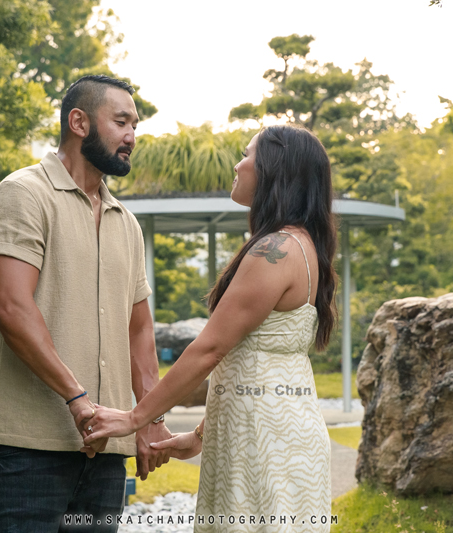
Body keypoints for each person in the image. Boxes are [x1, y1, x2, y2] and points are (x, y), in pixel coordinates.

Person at [82, 124, 338, 532]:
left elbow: (210, 349)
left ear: (275, 169)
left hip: (265, 442)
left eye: (247, 154)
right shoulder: (300, 244)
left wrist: (136, 418)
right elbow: (255, 356)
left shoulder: (277, 249)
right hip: (279, 432)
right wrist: (201, 435)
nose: (238, 164)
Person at [0, 74, 172, 533]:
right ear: (78, 121)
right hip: (27, 445)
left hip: (107, 452)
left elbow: (138, 330)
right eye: (121, 122)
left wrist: (150, 418)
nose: (131, 136)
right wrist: (76, 398)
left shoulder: (126, 224)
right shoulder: (21, 195)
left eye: (135, 125)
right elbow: (11, 308)